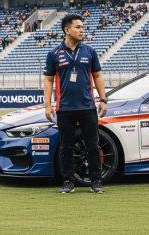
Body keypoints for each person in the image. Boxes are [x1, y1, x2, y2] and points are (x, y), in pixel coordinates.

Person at [43, 14, 107, 194]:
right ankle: (68, 182)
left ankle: (96, 181)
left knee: (93, 145)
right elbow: (48, 81)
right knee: (66, 146)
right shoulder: (54, 53)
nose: (82, 30)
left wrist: (103, 100)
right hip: (64, 108)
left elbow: (97, 76)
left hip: (88, 107)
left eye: (83, 27)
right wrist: (47, 105)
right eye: (78, 27)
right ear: (67, 30)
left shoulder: (89, 51)